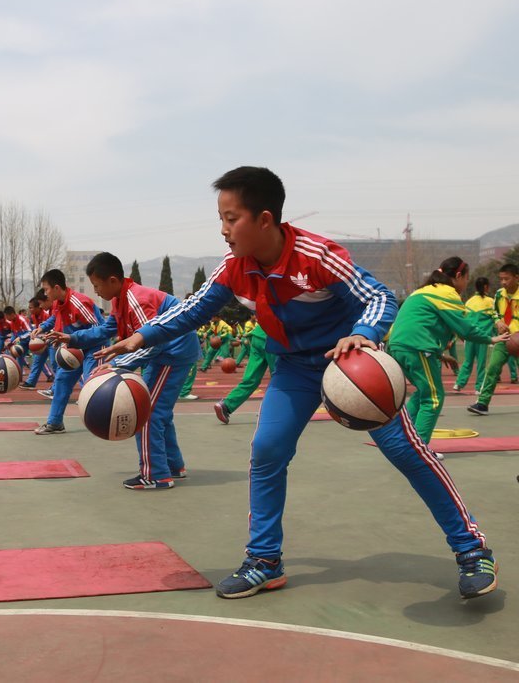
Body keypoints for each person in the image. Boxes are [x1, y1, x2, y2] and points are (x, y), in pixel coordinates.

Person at [99, 166, 497, 601]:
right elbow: (193, 308)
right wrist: (140, 337)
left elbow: (380, 296)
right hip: (293, 369)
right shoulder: (234, 267)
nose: (223, 230)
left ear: (264, 219)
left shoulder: (317, 255)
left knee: (406, 450)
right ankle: (264, 560)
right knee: (267, 450)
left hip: (349, 365)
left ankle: (472, 548)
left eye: (231, 218)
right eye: (221, 218)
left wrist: (363, 334)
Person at [53, 252, 200, 489]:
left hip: (173, 352)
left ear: (112, 280)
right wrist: (72, 337)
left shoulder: (136, 299)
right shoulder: (120, 300)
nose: (96, 290)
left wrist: (119, 365)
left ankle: (156, 475)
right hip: (166, 353)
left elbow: (155, 341)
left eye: (97, 285)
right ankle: (173, 465)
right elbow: (104, 330)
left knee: (147, 412)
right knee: (159, 411)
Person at [387, 257, 504, 444]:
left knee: (422, 391)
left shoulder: (423, 290)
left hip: (397, 346)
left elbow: (420, 324)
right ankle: (419, 450)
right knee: (433, 398)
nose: (466, 284)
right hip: (416, 347)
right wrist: (491, 338)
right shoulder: (447, 293)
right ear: (458, 276)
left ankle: (404, 440)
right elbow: (465, 328)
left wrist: (440, 355)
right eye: (466, 279)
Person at [34, 269, 106, 434]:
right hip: (74, 347)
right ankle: (55, 423)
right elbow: (54, 318)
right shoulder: (58, 304)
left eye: (46, 289)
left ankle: (105, 419)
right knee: (61, 380)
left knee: (91, 382)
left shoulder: (79, 302)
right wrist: (42, 327)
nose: (45, 293)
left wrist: (71, 338)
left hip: (95, 346)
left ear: (57, 288)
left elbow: (99, 329)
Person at [467, 263, 519, 415]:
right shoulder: (499, 294)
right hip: (504, 339)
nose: (503, 282)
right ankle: (482, 403)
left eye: (506, 279)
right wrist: (498, 322)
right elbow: (495, 312)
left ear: (516, 278)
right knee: (492, 368)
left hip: (517, 339)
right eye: (501, 279)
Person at [214, 320, 274, 424]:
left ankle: (226, 405)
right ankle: (270, 411)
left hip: (258, 336)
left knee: (250, 379)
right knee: (281, 378)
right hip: (273, 337)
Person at [453, 277, 495, 394]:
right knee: (481, 363)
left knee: (467, 361)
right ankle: (479, 387)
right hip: (482, 337)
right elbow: (495, 319)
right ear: (486, 287)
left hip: (470, 336)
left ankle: (459, 383)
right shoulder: (490, 301)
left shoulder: (469, 302)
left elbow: (464, 319)